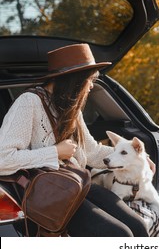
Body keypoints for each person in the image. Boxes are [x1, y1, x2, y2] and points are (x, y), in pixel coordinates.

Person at [0, 43, 149, 237]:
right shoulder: (29, 103)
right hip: (50, 194)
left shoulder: (70, 106)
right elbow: (3, 159)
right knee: (120, 235)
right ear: (75, 80)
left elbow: (92, 152)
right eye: (90, 80)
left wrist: (137, 158)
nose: (92, 86)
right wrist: (55, 152)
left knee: (138, 227)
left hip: (76, 183)